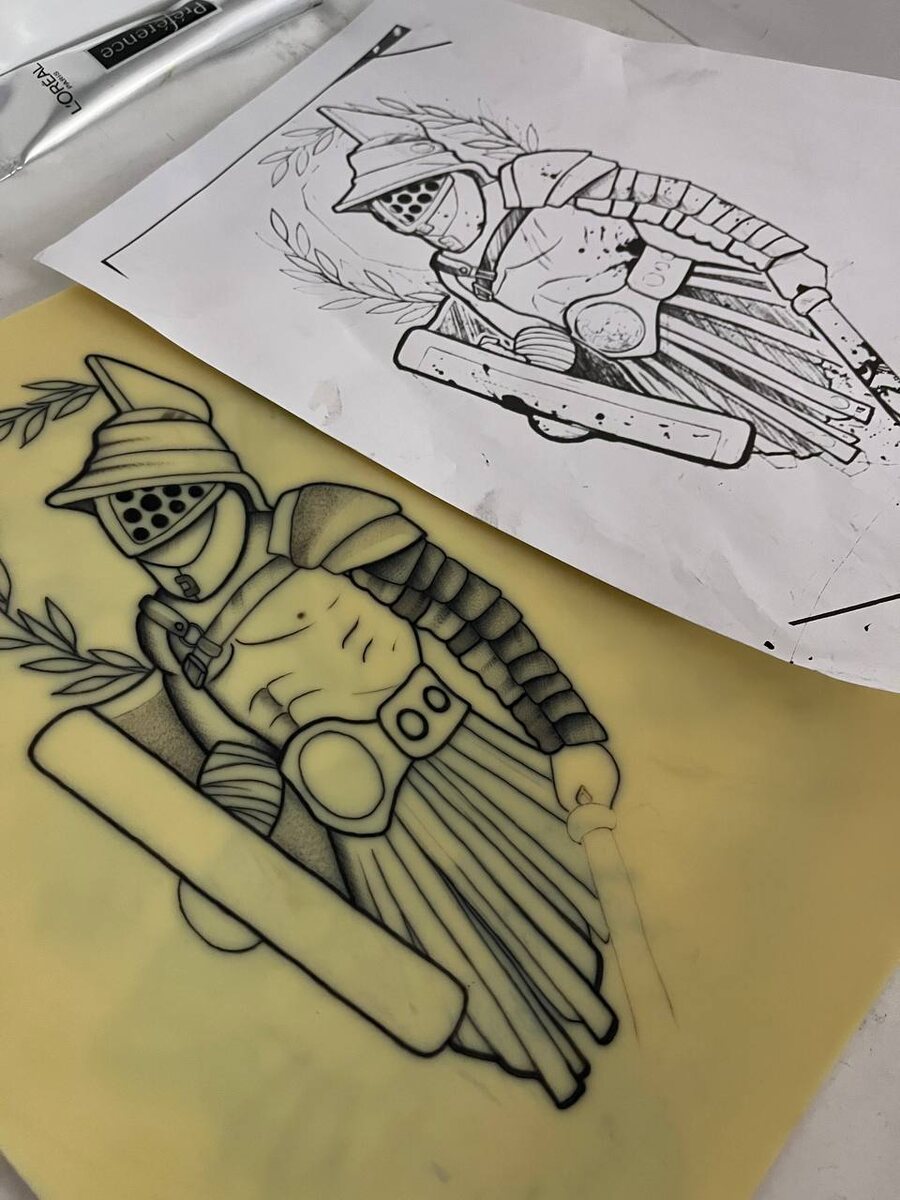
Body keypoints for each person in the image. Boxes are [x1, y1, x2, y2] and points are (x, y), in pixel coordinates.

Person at [46, 353, 621, 1106]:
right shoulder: (167, 628)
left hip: (466, 770)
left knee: (586, 921)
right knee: (491, 1010)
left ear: (219, 483)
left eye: (160, 498)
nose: (147, 520)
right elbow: (233, 746)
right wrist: (235, 847)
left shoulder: (317, 526)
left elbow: (473, 616)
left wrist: (568, 732)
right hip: (371, 838)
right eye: (123, 508)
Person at [321, 106, 879, 457]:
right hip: (638, 362)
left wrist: (773, 250)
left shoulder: (537, 181)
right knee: (792, 436)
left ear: (454, 174)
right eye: (391, 211)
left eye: (417, 195)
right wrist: (552, 387)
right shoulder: (455, 271)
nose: (415, 217)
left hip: (698, 307)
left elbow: (672, 202)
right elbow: (529, 327)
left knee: (830, 386)